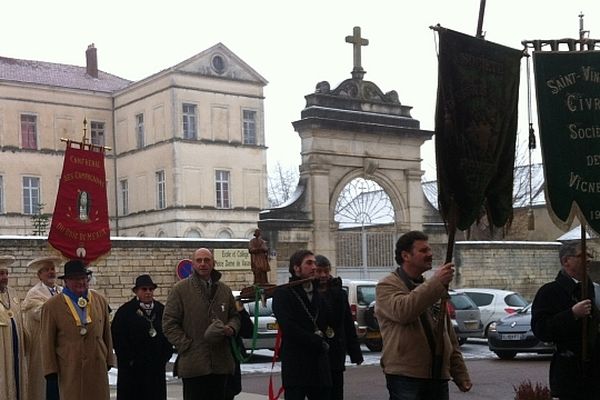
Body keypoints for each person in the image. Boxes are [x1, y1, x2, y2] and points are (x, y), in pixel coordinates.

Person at [375, 230, 472, 400]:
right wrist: (437, 283)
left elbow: (447, 333)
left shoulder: (431, 288)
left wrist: (459, 372)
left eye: (429, 250)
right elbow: (404, 312)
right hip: (406, 376)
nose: (430, 254)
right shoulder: (387, 286)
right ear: (406, 256)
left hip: (437, 375)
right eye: (423, 251)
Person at [162, 248, 241, 400]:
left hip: (221, 363)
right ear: (193, 264)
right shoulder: (180, 290)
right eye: (199, 260)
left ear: (213, 263)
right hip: (194, 364)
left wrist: (231, 327)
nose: (203, 264)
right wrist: (186, 345)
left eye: (207, 260)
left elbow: (235, 316)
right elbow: (169, 323)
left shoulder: (224, 290)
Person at [531, 241, 600, 399]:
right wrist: (572, 314)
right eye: (582, 255)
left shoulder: (596, 290)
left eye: (589, 255)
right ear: (566, 261)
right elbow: (542, 330)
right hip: (570, 374)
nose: (588, 259)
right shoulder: (549, 292)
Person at [41, 259, 115, 400]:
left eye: (83, 278)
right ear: (66, 281)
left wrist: (109, 359)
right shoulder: (52, 306)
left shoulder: (99, 300)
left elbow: (106, 332)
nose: (81, 282)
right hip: (70, 367)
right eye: (75, 279)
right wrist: (50, 369)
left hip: (97, 365)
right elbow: (46, 340)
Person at [272, 249, 333, 400]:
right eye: (309, 263)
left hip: (319, 367)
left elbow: (330, 322)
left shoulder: (319, 293)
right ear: (296, 268)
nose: (314, 267)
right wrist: (316, 341)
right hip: (297, 366)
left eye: (315, 263)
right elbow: (289, 327)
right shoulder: (284, 294)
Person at [111, 274, 173, 400]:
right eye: (144, 289)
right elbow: (118, 339)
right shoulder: (125, 312)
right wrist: (130, 360)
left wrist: (165, 356)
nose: (148, 292)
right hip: (133, 371)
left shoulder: (161, 310)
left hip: (155, 369)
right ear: (136, 291)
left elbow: (169, 333)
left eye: (150, 289)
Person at [314, 255, 363, 400]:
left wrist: (355, 353)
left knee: (336, 391)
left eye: (326, 271)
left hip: (336, 351)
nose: (323, 275)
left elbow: (347, 323)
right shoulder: (309, 294)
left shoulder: (339, 294)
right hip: (317, 353)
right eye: (319, 271)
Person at [21, 255, 63, 400]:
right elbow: (39, 314)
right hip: (42, 344)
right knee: (44, 382)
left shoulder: (62, 291)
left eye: (52, 269)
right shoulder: (34, 293)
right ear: (40, 275)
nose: (51, 272)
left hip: (61, 343)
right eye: (46, 270)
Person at [0, 255, 27, 400]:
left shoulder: (13, 293)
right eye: (0, 274)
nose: (4, 277)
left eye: (6, 273)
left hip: (15, 349)